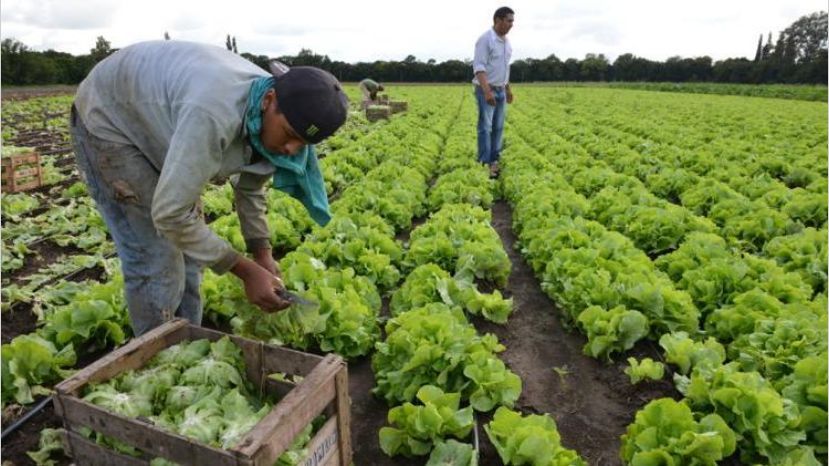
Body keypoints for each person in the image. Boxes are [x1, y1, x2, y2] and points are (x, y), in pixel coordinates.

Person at [70, 40, 349, 336]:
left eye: (302, 144)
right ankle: (155, 352)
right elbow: (169, 215)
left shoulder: (272, 118)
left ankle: (188, 340)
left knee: (191, 254)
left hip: (162, 116)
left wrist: (262, 253)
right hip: (110, 116)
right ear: (268, 100)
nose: (291, 149)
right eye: (290, 135)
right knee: (156, 257)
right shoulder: (214, 112)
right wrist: (245, 271)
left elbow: (250, 187)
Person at [472, 6, 514, 178]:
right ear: (498, 20)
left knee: (498, 127)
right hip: (486, 90)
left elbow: (504, 68)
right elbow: (479, 67)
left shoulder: (507, 43)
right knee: (485, 127)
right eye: (509, 21)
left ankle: (494, 160)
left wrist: (508, 89)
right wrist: (487, 91)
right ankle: (485, 162)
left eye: (512, 21)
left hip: (500, 89)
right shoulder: (486, 39)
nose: (511, 24)